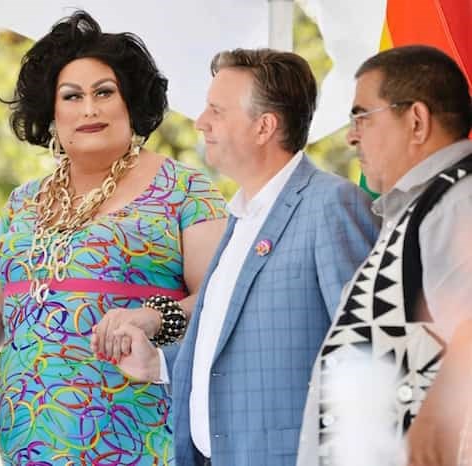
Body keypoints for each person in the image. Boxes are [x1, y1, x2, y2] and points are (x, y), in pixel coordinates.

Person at [0, 10, 228, 465]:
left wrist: (151, 316)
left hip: (145, 445)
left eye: (104, 92)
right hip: (28, 450)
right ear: (51, 109)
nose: (89, 108)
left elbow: (222, 300)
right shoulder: (22, 203)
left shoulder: (184, 190)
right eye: (71, 95)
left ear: (130, 103)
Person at [98, 48, 380, 466]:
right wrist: (158, 363)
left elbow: (367, 352)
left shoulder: (331, 204)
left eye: (216, 110)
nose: (200, 123)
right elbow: (233, 348)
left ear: (264, 126)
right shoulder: (240, 216)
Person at [297, 45, 472, 466]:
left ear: (416, 120)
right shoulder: (428, 206)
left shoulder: (456, 200)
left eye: (362, 116)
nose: (352, 135)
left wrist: (442, 414)